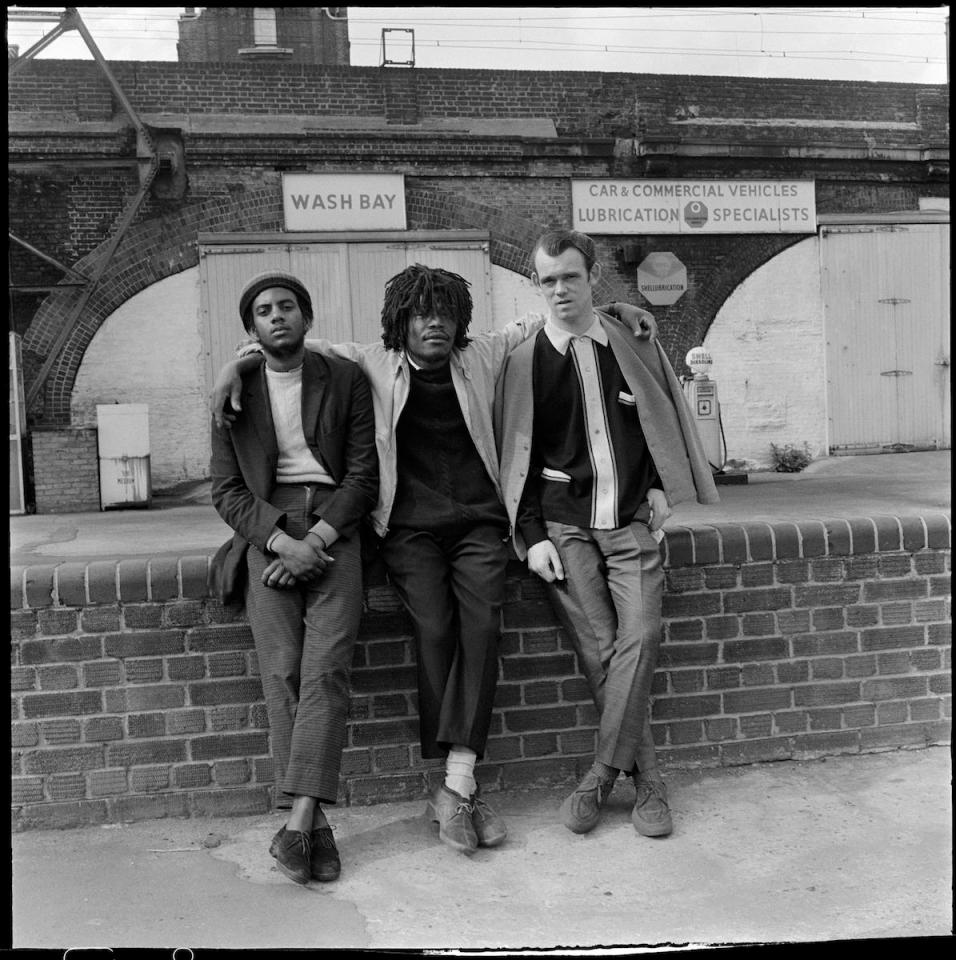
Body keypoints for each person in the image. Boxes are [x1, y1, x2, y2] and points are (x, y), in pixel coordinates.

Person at [212, 262, 655, 856]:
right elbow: (293, 347)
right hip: (407, 529)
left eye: (446, 313)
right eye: (422, 314)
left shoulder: (482, 356)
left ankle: (457, 785)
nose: (435, 324)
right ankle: (445, 792)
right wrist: (233, 365)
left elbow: (543, 319)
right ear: (401, 322)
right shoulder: (374, 363)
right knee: (433, 630)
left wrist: (615, 312)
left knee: (482, 627)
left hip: (479, 522)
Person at [496, 230, 719, 839]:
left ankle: (600, 773)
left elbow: (652, 419)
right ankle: (647, 781)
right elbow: (514, 455)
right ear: (536, 286)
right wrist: (532, 535)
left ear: (593, 277)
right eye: (548, 280)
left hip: (627, 522)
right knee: (600, 651)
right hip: (564, 529)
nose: (560, 289)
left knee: (639, 636)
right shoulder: (522, 361)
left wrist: (656, 486)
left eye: (570, 276)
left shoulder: (631, 339)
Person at [209, 270, 378, 885]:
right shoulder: (235, 390)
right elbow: (225, 490)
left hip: (335, 526)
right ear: (250, 329)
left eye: (287, 306)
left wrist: (317, 540)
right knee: (282, 670)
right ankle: (316, 829)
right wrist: (283, 540)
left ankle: (300, 821)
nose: (276, 316)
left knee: (326, 668)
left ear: (307, 318)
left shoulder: (345, 379)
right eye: (263, 310)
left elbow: (363, 477)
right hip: (268, 527)